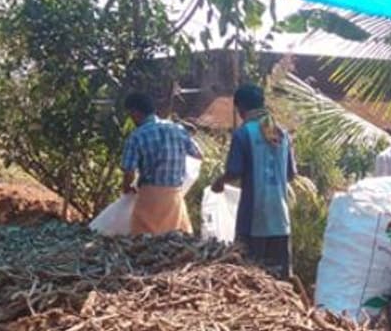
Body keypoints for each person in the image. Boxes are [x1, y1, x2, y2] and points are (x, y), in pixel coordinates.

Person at [211, 83, 297, 279]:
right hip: (280, 218)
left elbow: (234, 170)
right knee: (279, 278)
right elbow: (291, 175)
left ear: (240, 108)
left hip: (254, 217)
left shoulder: (244, 133)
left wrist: (220, 182)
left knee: (252, 276)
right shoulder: (281, 133)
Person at [120, 92, 202, 235]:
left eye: (130, 114)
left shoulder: (137, 136)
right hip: (174, 198)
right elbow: (198, 154)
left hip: (149, 199)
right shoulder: (178, 129)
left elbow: (129, 170)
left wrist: (127, 188)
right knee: (175, 243)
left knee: (143, 242)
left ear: (135, 112)